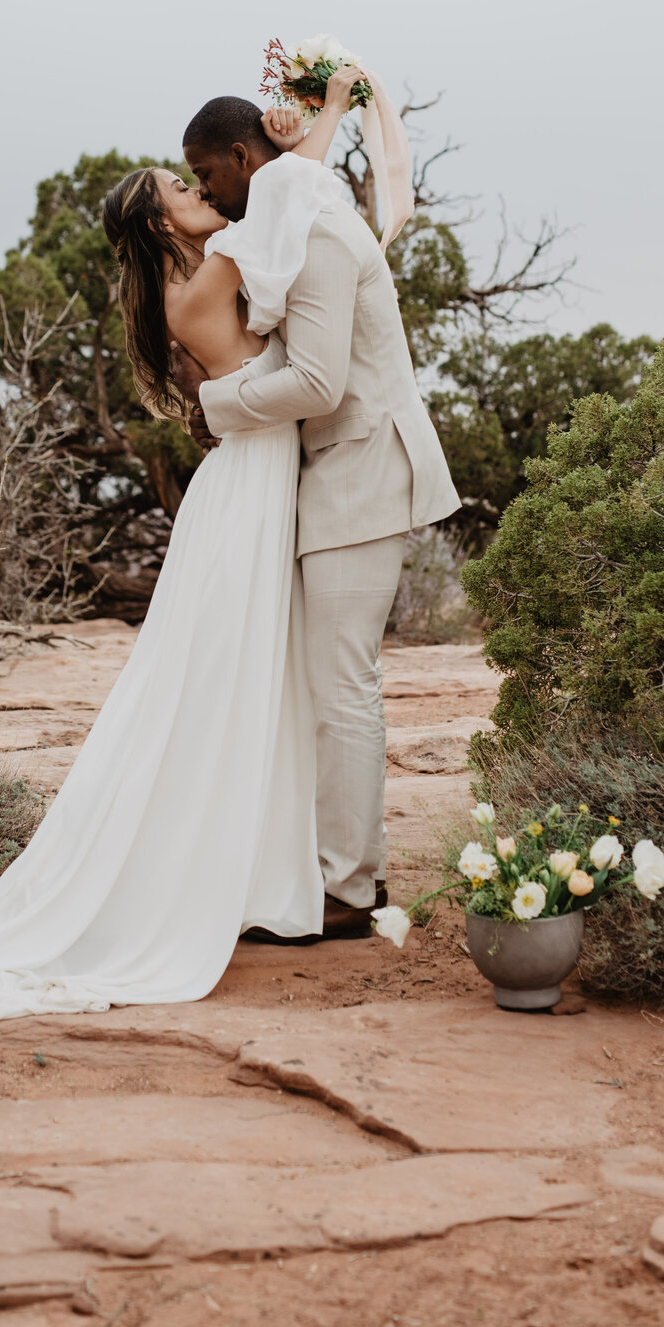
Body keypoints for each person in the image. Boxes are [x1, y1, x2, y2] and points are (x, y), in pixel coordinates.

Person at [0, 76, 364, 1079]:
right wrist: (328, 106)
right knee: (228, 675)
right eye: (179, 187)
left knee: (237, 674)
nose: (197, 189)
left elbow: (284, 194)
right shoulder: (213, 268)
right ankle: (228, 875)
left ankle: (257, 871)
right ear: (163, 220)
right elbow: (293, 188)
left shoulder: (188, 284)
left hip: (249, 479)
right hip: (252, 481)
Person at [174, 83, 460, 940]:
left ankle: (351, 889)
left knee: (343, 686)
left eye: (205, 174)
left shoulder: (322, 234)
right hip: (339, 475)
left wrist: (216, 407)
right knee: (330, 682)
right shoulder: (293, 218)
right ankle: (334, 868)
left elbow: (320, 382)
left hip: (366, 469)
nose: (208, 194)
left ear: (239, 159)